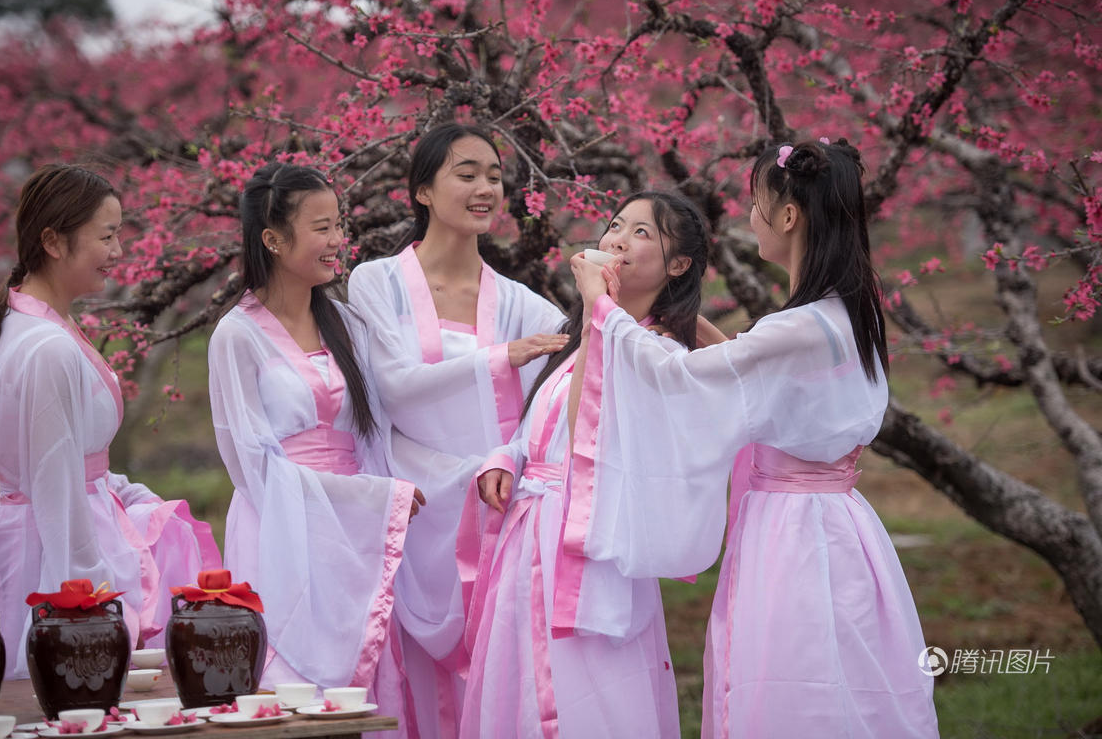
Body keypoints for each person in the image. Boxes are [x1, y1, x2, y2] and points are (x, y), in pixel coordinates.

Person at [569, 140, 940, 738]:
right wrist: (691, 327)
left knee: (794, 678)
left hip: (796, 532)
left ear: (788, 216)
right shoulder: (845, 310)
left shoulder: (800, 324)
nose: (750, 216)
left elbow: (681, 378)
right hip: (833, 521)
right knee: (835, 673)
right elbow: (758, 380)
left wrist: (600, 306)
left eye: (757, 203)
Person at [347, 123, 568, 739]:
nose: (485, 188)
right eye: (466, 173)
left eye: (495, 176)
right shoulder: (377, 282)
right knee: (410, 677)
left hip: (489, 501)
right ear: (421, 191)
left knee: (495, 669)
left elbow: (572, 368)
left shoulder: (520, 301)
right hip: (414, 504)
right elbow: (396, 384)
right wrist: (501, 358)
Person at [463, 191, 710, 739]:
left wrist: (600, 307)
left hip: (589, 540)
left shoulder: (660, 352)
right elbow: (542, 431)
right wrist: (506, 457)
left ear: (678, 265)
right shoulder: (579, 338)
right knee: (523, 686)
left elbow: (588, 432)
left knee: (588, 692)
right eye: (616, 225)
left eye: (643, 233)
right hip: (530, 533)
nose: (618, 238)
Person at [0, 164, 221, 680]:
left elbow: (71, 468)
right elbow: (57, 492)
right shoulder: (47, 347)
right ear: (54, 242)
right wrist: (88, 611)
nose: (119, 252)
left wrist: (126, 496)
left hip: (52, 532)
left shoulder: (41, 329)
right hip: (57, 550)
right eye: (107, 236)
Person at [208, 162, 422, 733]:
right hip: (280, 529)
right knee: (290, 687)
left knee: (362, 684)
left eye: (339, 225)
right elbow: (252, 463)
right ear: (273, 240)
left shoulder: (347, 324)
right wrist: (372, 497)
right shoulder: (237, 335)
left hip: (353, 530)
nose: (337, 242)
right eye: (322, 228)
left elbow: (378, 430)